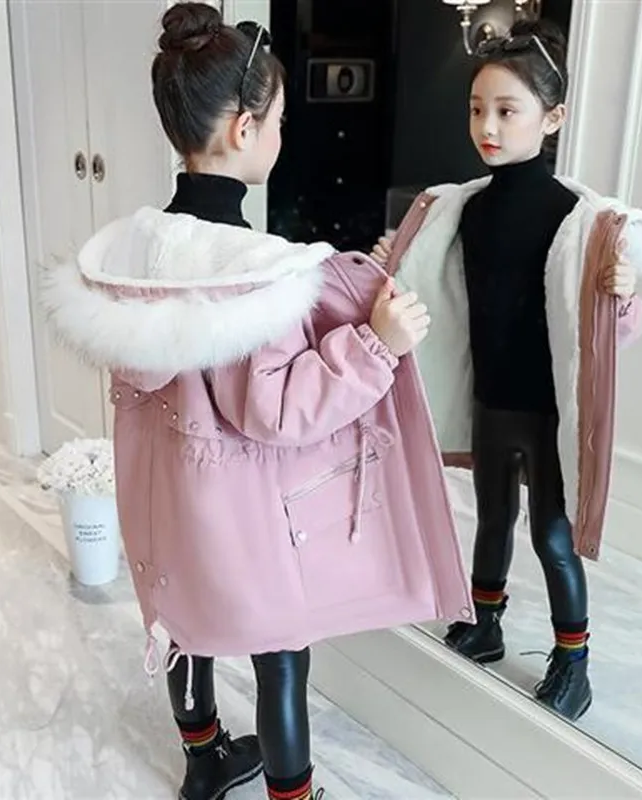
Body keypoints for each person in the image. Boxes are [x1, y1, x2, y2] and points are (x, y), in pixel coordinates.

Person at [42, 4, 472, 798]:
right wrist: (375, 344)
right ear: (244, 129)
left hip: (163, 503)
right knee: (281, 652)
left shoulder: (132, 251)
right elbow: (278, 411)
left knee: (182, 625)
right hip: (240, 514)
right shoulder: (254, 271)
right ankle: (290, 791)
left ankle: (204, 761)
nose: (279, 136)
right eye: (277, 121)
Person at [372, 19, 642, 722]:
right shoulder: (460, 209)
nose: (488, 126)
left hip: (545, 406)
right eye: (477, 109)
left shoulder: (580, 219)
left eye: (507, 111)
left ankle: (573, 661)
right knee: (492, 518)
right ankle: (486, 621)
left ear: (552, 118)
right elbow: (428, 281)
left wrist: (622, 296)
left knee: (552, 535)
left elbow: (606, 333)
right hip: (492, 398)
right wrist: (392, 261)